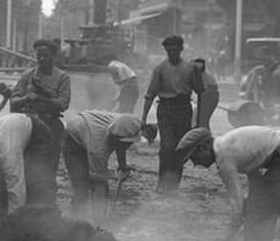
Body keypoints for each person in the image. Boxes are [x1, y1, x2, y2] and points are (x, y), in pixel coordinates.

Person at [176, 125, 280, 241]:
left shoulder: (223, 157)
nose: (196, 163)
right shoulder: (227, 143)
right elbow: (254, 174)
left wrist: (227, 238)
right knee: (258, 208)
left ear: (204, 146)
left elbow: (237, 204)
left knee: (259, 213)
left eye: (194, 157)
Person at [141, 35, 206, 193]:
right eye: (168, 50)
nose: (172, 53)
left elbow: (200, 93)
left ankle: (173, 184)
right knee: (166, 146)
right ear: (165, 51)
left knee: (180, 148)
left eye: (175, 50)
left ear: (181, 50)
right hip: (165, 110)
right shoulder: (160, 69)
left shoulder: (191, 68)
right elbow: (150, 94)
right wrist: (143, 119)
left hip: (184, 109)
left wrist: (200, 120)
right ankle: (162, 182)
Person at [63, 110, 145, 224]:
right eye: (127, 143)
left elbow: (121, 145)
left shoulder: (124, 122)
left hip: (88, 126)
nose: (129, 145)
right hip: (74, 141)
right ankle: (77, 222)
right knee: (82, 187)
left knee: (102, 185)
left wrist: (123, 166)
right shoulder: (99, 148)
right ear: (116, 140)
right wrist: (101, 226)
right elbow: (99, 184)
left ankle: (98, 222)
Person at [10, 39, 71, 177]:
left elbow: (63, 103)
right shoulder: (28, 75)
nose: (41, 59)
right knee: (27, 168)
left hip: (51, 126)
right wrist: (27, 98)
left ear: (54, 56)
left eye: (45, 55)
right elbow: (13, 102)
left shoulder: (62, 78)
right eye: (38, 56)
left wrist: (43, 99)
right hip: (28, 126)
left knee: (49, 169)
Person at [193, 58, 219, 129]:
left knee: (202, 120)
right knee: (202, 120)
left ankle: (205, 136)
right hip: (208, 97)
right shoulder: (201, 73)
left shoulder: (205, 75)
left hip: (209, 97)